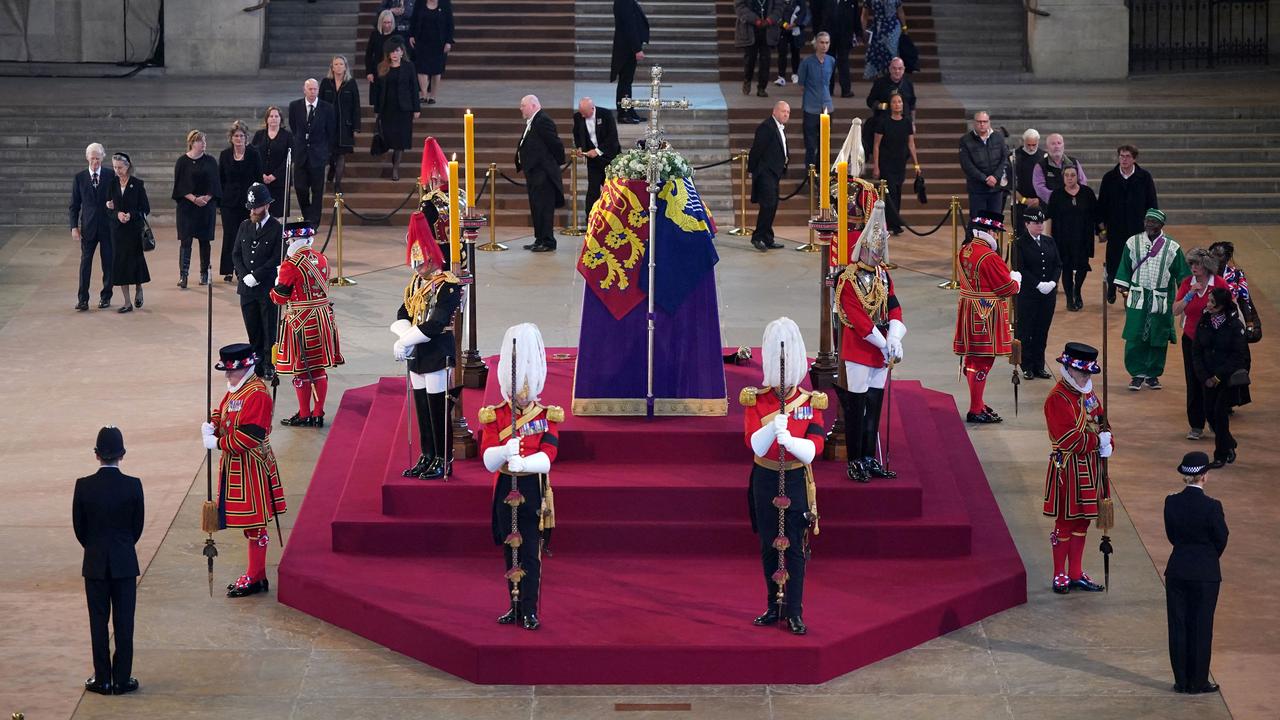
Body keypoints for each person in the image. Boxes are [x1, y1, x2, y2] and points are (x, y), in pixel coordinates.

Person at [741, 317, 826, 635]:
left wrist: (789, 440)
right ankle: (772, 605)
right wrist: (770, 431)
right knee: (767, 545)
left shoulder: (809, 402)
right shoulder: (756, 399)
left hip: (794, 479)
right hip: (764, 478)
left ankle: (794, 611)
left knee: (794, 549)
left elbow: (815, 447)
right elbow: (752, 443)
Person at [479, 323, 561, 631]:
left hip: (530, 486)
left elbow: (548, 457)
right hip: (504, 488)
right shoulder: (495, 414)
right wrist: (503, 453)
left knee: (529, 552)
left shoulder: (545, 416)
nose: (521, 398)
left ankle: (529, 609)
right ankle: (512, 606)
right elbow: (487, 458)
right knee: (508, 549)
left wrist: (521, 462)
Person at [201, 343, 287, 597]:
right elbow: (223, 410)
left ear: (246, 368)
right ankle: (255, 574)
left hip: (251, 465)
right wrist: (213, 425)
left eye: (231, 372)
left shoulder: (257, 394)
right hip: (236, 465)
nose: (228, 376)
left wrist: (217, 442)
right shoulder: (238, 389)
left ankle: (255, 576)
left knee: (256, 524)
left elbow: (250, 436)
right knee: (250, 526)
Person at [834, 200, 904, 482]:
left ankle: (869, 457)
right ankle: (854, 460)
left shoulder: (883, 276)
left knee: (874, 405)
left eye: (880, 251)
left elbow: (895, 306)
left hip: (881, 350)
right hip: (861, 350)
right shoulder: (848, 280)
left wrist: (896, 337)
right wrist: (885, 343)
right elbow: (860, 321)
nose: (878, 256)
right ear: (862, 248)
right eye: (873, 251)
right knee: (856, 407)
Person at [392, 209, 463, 479]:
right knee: (421, 406)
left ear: (432, 259)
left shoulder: (448, 285)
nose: (418, 269)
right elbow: (403, 313)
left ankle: (443, 458)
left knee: (437, 408)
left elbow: (436, 323)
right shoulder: (415, 284)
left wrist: (407, 339)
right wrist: (403, 338)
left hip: (436, 352)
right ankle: (427, 454)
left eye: (420, 263)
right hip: (417, 353)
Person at [74, 426, 143, 696]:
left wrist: (94, 548)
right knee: (125, 623)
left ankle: (102, 679)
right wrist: (123, 547)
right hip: (125, 561)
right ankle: (122, 679)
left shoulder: (83, 485)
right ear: (122, 454)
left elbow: (80, 528)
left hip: (94, 562)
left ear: (96, 454)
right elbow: (136, 526)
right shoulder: (133, 485)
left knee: (98, 622)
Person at [1041, 342, 1111, 595]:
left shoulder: (1087, 393)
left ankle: (1075, 572)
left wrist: (1108, 438)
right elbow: (1069, 440)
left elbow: (1101, 418)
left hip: (1089, 467)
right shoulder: (1057, 399)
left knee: (1083, 521)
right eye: (1084, 373)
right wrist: (1098, 442)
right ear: (1070, 369)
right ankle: (1059, 572)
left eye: (1090, 373)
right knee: (1065, 522)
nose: (1087, 377)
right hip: (1067, 468)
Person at [1164, 451, 1228, 694]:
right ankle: (1198, 681)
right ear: (1204, 476)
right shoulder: (1212, 506)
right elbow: (1221, 537)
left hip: (1178, 569)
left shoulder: (1171, 502)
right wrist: (1208, 558)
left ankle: (1181, 680)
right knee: (1201, 626)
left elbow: (1172, 535)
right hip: (1205, 572)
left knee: (1178, 625)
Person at [270, 221, 344, 427]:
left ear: (292, 240)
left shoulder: (290, 264)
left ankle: (304, 413)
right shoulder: (322, 259)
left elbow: (279, 298)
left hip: (302, 322)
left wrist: (275, 284)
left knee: (301, 370)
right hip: (323, 318)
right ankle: (318, 412)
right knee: (319, 368)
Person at [953, 211, 1021, 423]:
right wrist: (1016, 280)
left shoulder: (965, 249)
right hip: (986, 314)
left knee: (973, 359)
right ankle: (975, 408)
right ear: (990, 231)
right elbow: (1007, 288)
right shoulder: (988, 256)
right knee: (983, 361)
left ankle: (978, 402)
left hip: (969, 310)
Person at [1113, 208, 1190, 391]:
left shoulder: (1172, 247)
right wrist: (1122, 285)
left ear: (1162, 225)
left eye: (1154, 222)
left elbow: (1182, 275)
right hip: (1138, 295)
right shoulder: (1133, 242)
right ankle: (1136, 374)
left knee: (1159, 335)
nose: (1149, 224)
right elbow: (1125, 265)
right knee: (1135, 334)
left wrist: (1184, 296)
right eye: (1147, 220)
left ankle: (1153, 374)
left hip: (1162, 297)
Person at [1173, 249, 1226, 441]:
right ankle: (1196, 425)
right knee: (1193, 380)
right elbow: (1175, 311)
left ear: (1207, 266)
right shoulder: (1188, 284)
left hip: (1214, 341)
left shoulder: (1219, 284)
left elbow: (1230, 307)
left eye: (1197, 264)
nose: (1194, 268)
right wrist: (1189, 295)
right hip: (1192, 341)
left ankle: (1214, 419)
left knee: (1213, 380)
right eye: (1191, 264)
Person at [1192, 288, 1248, 468]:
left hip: (1226, 378)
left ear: (1221, 306)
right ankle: (1229, 443)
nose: (1207, 304)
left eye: (1211, 302)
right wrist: (1204, 376)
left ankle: (1220, 454)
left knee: (1219, 413)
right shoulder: (1204, 322)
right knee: (1209, 413)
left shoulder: (1234, 326)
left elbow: (1238, 355)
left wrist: (1218, 376)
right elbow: (1197, 351)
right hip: (1207, 377)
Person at [233, 183, 285, 374]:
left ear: (267, 205)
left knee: (269, 327)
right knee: (252, 327)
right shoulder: (244, 226)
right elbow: (236, 253)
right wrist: (244, 274)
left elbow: (277, 257)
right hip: (247, 288)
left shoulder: (276, 228)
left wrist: (257, 275)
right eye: (252, 207)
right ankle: (256, 362)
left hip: (266, 287)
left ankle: (269, 363)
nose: (254, 210)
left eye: (257, 207)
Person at [1098, 145, 1158, 302]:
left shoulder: (1144, 177)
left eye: (1127, 156)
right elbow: (1102, 205)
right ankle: (1112, 286)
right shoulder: (1109, 178)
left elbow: (1152, 204)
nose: (1123, 159)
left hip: (1137, 229)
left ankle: (1132, 293)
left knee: (1136, 261)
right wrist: (1101, 229)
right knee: (1114, 261)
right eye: (1121, 156)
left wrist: (1152, 227)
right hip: (1115, 228)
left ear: (1134, 159)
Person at [515, 94, 566, 252]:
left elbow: (555, 144)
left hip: (543, 175)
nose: (520, 108)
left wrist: (551, 165)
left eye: (523, 105)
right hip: (535, 174)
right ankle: (540, 239)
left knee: (544, 208)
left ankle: (548, 241)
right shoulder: (533, 121)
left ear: (533, 105)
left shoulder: (543, 120)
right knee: (537, 207)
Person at [171, 130, 222, 288]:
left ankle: (204, 273)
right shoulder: (182, 161)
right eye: (200, 141)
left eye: (204, 141)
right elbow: (179, 185)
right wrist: (193, 198)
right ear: (192, 143)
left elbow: (216, 183)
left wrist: (206, 198)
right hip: (187, 206)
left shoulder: (211, 161)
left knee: (204, 240)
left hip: (206, 206)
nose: (203, 144)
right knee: (185, 240)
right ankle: (183, 275)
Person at [1045, 165, 1100, 311]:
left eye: (1073, 175)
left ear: (1078, 177)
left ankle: (1077, 291)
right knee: (1066, 268)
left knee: (1082, 267)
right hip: (1062, 238)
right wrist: (1048, 238)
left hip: (1083, 237)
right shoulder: (1056, 194)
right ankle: (1070, 299)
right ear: (1063, 177)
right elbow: (1049, 216)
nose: (1070, 178)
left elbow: (1096, 214)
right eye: (1067, 175)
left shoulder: (1087, 193)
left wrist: (1102, 231)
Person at [1015, 209, 1061, 379]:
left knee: (1042, 331)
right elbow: (1020, 268)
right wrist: (1037, 284)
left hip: (1047, 296)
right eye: (1036, 223)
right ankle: (1026, 365)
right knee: (1027, 330)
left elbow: (1057, 264)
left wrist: (1052, 283)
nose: (1040, 226)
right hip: (1029, 295)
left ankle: (1039, 365)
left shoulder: (1049, 242)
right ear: (1027, 224)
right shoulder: (1019, 243)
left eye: (1041, 222)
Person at [1209, 241, 1255, 410]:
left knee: (1238, 360)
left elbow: (1244, 298)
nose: (1214, 258)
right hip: (1212, 321)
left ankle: (1230, 398)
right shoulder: (1206, 274)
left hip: (1234, 321)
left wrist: (1249, 323)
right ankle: (1215, 397)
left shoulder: (1236, 274)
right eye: (1211, 254)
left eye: (1219, 255)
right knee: (1214, 360)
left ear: (1227, 257)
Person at [70, 142, 115, 311]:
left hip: (107, 226)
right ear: (87, 157)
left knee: (108, 262)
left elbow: (117, 198)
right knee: (85, 263)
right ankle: (82, 299)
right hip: (88, 228)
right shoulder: (79, 178)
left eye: (98, 158)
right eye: (92, 158)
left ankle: (106, 296)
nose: (95, 162)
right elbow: (74, 205)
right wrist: (74, 227)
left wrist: (114, 206)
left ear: (102, 158)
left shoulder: (111, 176)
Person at [218, 121, 264, 284]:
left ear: (246, 138)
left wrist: (258, 203)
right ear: (231, 138)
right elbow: (220, 180)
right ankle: (228, 269)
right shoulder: (224, 155)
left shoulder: (254, 154)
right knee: (230, 236)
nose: (239, 138)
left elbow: (259, 179)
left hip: (248, 203)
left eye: (242, 136)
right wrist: (220, 201)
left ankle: (243, 269)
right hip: (229, 203)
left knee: (247, 236)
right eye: (236, 136)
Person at [106, 153, 152, 314]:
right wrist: (116, 213)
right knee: (120, 265)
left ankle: (139, 288)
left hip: (133, 230)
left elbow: (145, 208)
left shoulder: (137, 184)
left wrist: (131, 215)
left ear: (128, 166)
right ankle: (126, 302)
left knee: (135, 261)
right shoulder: (111, 184)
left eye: (120, 167)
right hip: (117, 231)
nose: (117, 170)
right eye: (114, 167)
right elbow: (107, 209)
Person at [371, 39, 422, 181]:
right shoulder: (382, 66)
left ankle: (395, 169)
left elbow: (414, 88)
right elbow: (377, 90)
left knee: (400, 141)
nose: (394, 54)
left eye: (397, 51)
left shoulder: (409, 66)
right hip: (387, 108)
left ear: (402, 52)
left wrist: (416, 108)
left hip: (404, 109)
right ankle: (386, 159)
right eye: (392, 51)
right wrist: (376, 108)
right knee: (388, 136)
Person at [288, 78, 337, 224]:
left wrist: (324, 152)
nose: (313, 91)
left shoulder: (327, 108)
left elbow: (330, 132)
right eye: (310, 89)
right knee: (300, 188)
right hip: (301, 154)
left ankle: (313, 221)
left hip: (318, 155)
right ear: (304, 90)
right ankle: (307, 214)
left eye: (315, 89)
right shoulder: (295, 106)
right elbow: (294, 127)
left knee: (317, 191)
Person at [871, 92, 918, 234]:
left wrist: (916, 164)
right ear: (890, 105)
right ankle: (891, 224)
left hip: (900, 163)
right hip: (886, 163)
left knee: (897, 192)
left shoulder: (906, 122)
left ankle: (895, 221)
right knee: (889, 192)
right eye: (894, 102)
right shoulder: (883, 122)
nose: (897, 104)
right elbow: (876, 145)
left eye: (899, 102)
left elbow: (911, 144)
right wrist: (876, 166)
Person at [572, 97, 622, 226]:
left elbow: (612, 138)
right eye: (581, 112)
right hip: (593, 161)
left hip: (610, 158)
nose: (582, 115)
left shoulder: (605, 115)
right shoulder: (578, 117)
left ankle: (615, 219)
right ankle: (590, 220)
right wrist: (579, 148)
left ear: (592, 108)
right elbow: (577, 134)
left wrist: (598, 151)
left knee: (611, 189)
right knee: (593, 190)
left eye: (584, 112)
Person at [749, 101, 790, 252]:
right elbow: (757, 150)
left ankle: (767, 237)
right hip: (765, 173)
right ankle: (758, 237)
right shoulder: (766, 127)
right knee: (767, 206)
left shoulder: (779, 127)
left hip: (774, 174)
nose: (786, 114)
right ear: (775, 111)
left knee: (772, 206)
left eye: (788, 112)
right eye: (783, 111)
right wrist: (752, 170)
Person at [320, 55, 361, 193]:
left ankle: (337, 185)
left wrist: (356, 127)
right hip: (328, 125)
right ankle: (331, 169)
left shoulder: (351, 83)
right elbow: (320, 104)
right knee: (331, 154)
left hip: (345, 125)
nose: (338, 67)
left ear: (345, 66)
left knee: (342, 155)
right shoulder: (326, 83)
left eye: (341, 64)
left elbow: (356, 106)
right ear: (332, 67)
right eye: (336, 64)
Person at [796, 32, 834, 172]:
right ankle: (810, 174)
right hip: (810, 107)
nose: (824, 45)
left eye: (827, 43)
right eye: (821, 42)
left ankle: (822, 173)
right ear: (816, 44)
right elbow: (801, 84)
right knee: (811, 145)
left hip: (827, 107)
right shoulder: (807, 62)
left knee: (825, 144)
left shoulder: (831, 61)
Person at [958, 111, 1008, 216]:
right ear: (974, 123)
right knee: (978, 224)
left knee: (995, 223)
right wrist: (985, 179)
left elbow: (1004, 159)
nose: (982, 124)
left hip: (996, 188)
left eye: (984, 121)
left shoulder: (998, 137)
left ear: (989, 122)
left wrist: (995, 177)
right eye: (979, 121)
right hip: (977, 189)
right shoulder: (965, 140)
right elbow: (967, 165)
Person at [863, 56, 915, 153]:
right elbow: (870, 101)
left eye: (900, 69)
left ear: (903, 70)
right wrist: (883, 106)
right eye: (894, 68)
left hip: (902, 123)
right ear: (890, 69)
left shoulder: (908, 84)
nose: (897, 71)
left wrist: (912, 122)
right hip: (883, 121)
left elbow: (912, 104)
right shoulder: (880, 83)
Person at [251, 106, 292, 219]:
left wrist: (274, 176)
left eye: (276, 116)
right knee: (261, 212)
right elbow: (253, 155)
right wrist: (262, 174)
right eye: (271, 116)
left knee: (277, 213)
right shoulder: (259, 135)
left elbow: (289, 158)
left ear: (280, 119)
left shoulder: (287, 136)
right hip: (261, 179)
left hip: (279, 181)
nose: (273, 118)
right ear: (267, 119)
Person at [611, 0, 649, 123]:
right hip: (626, 48)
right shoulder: (624, 1)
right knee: (625, 82)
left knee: (627, 81)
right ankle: (624, 113)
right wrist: (637, 48)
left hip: (627, 47)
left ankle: (628, 110)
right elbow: (629, 25)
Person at [735, 0, 782, 97]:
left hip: (768, 30)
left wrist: (769, 20)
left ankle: (762, 87)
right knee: (750, 59)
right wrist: (755, 20)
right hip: (750, 30)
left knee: (766, 60)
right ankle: (747, 80)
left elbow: (779, 8)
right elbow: (740, 6)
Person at [409, 0, 453, 104]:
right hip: (422, 40)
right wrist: (411, 35)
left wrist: (448, 41)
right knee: (421, 68)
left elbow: (450, 23)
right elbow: (414, 19)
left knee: (436, 70)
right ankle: (424, 95)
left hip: (439, 42)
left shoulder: (445, 3)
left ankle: (432, 96)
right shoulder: (420, 3)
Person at [1032, 133, 1087, 205]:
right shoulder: (1040, 166)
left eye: (1059, 143)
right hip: (1051, 207)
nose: (1057, 146)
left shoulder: (1074, 162)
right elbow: (1040, 189)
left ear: (1063, 145)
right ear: (1047, 147)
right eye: (1053, 144)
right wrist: (1058, 199)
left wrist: (1075, 196)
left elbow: (1083, 182)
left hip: (1074, 205)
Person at [1010, 128, 1046, 231]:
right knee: (1020, 234)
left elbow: (1047, 183)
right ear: (1023, 141)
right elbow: (1009, 183)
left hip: (1039, 203)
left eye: (1034, 145)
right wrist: (1024, 200)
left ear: (1038, 142)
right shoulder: (1013, 157)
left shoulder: (1044, 157)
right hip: (1019, 203)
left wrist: (1039, 200)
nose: (1031, 148)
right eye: (1028, 145)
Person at [861, 0, 905, 79]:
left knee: (892, 54)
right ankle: (880, 82)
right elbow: (864, 15)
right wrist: (863, 31)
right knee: (877, 55)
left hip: (893, 29)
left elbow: (900, 11)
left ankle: (894, 80)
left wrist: (904, 28)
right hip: (878, 29)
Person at [826, 0, 861, 99]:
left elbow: (856, 17)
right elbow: (820, 15)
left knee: (844, 63)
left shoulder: (851, 1)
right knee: (829, 63)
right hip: (829, 36)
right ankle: (828, 89)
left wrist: (858, 33)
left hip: (845, 36)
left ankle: (846, 90)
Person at [365, 10, 405, 85]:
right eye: (384, 22)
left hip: (393, 70)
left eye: (389, 22)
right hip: (377, 70)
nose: (387, 25)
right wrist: (369, 72)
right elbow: (369, 54)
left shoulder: (397, 35)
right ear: (380, 22)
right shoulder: (375, 35)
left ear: (392, 22)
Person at [774, 0, 805, 86]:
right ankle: (781, 77)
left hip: (796, 30)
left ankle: (795, 74)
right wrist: (784, 25)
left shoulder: (799, 2)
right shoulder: (778, 2)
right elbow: (775, 13)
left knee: (795, 51)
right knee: (782, 53)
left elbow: (803, 12)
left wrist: (795, 24)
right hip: (782, 31)